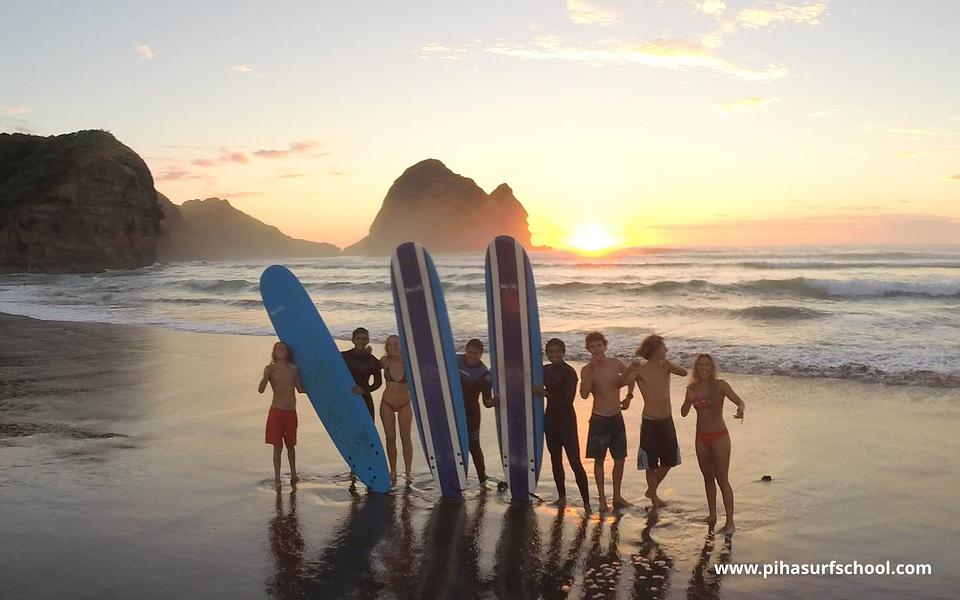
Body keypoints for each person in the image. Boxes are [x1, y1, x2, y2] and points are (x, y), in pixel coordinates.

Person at [681, 354, 745, 535]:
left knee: (722, 479)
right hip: (701, 438)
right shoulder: (692, 388)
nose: (704, 368)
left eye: (707, 365)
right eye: (701, 365)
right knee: (707, 477)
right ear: (696, 368)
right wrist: (688, 400)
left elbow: (740, 401)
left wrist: (740, 410)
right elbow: (683, 413)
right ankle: (712, 515)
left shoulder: (720, 385)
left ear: (712, 368)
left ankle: (730, 522)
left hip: (719, 437)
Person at [623, 334, 688, 509]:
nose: (666, 349)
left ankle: (651, 490)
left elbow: (684, 373)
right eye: (663, 347)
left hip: (667, 419)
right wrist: (630, 371)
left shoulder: (666, 366)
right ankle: (654, 498)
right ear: (654, 349)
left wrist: (670, 365)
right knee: (650, 463)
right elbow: (623, 382)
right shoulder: (641, 370)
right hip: (650, 421)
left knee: (669, 460)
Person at [533, 338, 591, 512]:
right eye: (551, 351)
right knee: (555, 461)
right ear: (547, 353)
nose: (554, 354)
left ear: (564, 352)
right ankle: (562, 497)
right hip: (550, 422)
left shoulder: (569, 372)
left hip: (567, 423)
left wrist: (545, 393)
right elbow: (526, 374)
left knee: (575, 462)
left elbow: (567, 401)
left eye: (557, 351)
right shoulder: (544, 370)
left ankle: (587, 504)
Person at [580, 331, 635, 512]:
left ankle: (617, 496)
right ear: (588, 349)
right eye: (592, 346)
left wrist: (629, 396)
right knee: (599, 460)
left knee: (620, 459)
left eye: (599, 345)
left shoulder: (615, 363)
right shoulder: (586, 369)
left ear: (604, 346)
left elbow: (631, 376)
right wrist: (590, 370)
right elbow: (584, 394)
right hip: (599, 418)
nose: (596, 349)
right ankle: (602, 499)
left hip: (616, 416)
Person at [259, 341, 305, 491]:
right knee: (277, 447)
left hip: (290, 411)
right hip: (276, 412)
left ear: (288, 352)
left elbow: (300, 389)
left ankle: (293, 474)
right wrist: (266, 376)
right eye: (278, 348)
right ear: (274, 352)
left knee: (291, 445)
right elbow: (260, 390)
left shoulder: (293, 368)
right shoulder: (270, 369)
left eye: (284, 348)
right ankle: (277, 478)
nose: (281, 350)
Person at [458, 338, 496, 484]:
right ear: (465, 350)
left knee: (473, 446)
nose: (471, 356)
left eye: (475, 354)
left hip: (471, 413)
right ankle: (457, 477)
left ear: (481, 354)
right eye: (469, 352)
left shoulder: (484, 374)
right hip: (454, 411)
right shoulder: (455, 361)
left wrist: (495, 401)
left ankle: (482, 478)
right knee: (455, 444)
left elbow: (487, 402)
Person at [380, 335, 414, 483]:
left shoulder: (409, 362)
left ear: (401, 345)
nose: (392, 347)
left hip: (404, 404)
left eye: (396, 344)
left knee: (405, 438)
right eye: (389, 344)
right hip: (387, 403)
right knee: (390, 438)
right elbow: (367, 366)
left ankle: (408, 472)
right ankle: (393, 470)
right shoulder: (384, 361)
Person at [341, 327, 382, 421]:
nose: (361, 341)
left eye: (364, 339)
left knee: (367, 426)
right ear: (353, 340)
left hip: (364, 399)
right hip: (346, 397)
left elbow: (378, 383)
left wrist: (364, 391)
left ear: (367, 341)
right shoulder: (343, 356)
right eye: (358, 338)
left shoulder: (372, 360)